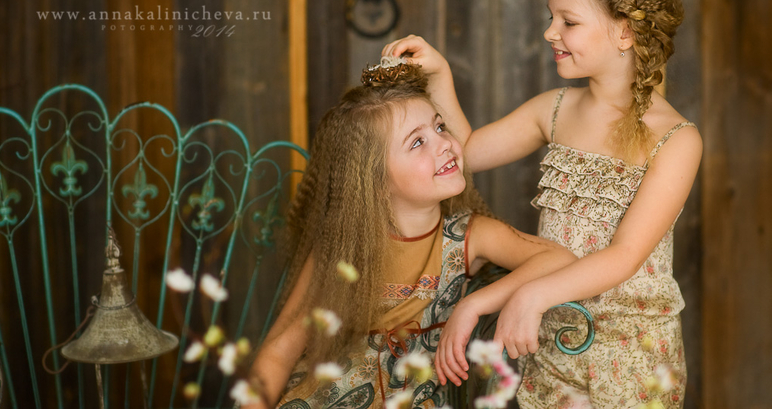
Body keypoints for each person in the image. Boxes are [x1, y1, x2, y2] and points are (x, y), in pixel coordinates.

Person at [382, 0, 702, 408]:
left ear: (624, 31)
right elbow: (465, 154)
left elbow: (623, 256)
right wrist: (440, 76)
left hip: (632, 359)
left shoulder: (677, 140)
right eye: (551, 17)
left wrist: (527, 296)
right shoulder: (553, 110)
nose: (550, 32)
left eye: (568, 22)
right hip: (553, 347)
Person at [242, 58, 577, 409]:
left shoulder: (469, 235)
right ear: (375, 181)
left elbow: (557, 257)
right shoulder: (344, 246)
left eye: (440, 126)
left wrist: (473, 305)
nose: (444, 143)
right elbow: (280, 349)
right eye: (417, 142)